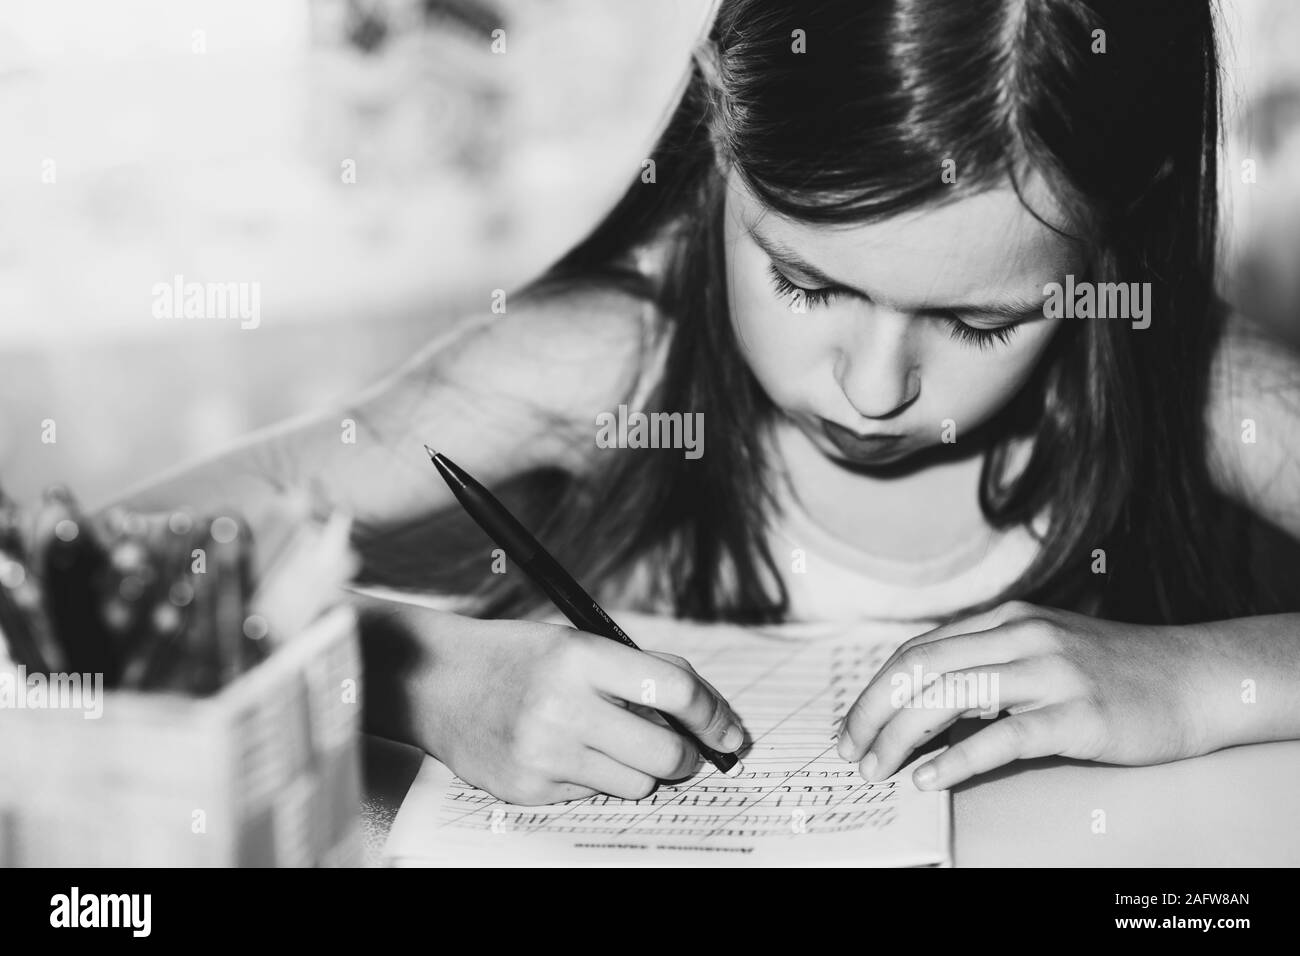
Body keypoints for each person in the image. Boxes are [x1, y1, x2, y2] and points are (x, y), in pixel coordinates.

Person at [111, 0, 1300, 806]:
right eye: (804, 279)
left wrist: (1197, 683)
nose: (875, 388)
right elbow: (93, 569)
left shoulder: (1191, 381)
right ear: (718, 145)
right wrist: (410, 669)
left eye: (981, 321)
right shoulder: (603, 363)